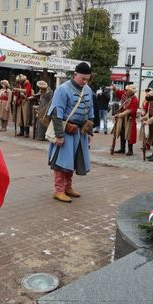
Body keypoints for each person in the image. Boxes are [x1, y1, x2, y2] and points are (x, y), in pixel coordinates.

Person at [47, 62, 94, 203]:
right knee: (61, 162)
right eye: (82, 79)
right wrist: (60, 135)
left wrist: (89, 132)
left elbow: (90, 112)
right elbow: (56, 113)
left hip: (80, 132)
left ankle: (68, 187)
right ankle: (58, 190)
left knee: (73, 161)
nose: (85, 82)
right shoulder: (62, 89)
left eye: (87, 79)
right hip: (66, 131)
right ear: (75, 75)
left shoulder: (88, 90)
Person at [111, 84, 138, 155]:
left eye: (129, 91)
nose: (127, 92)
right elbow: (117, 92)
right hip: (122, 117)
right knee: (121, 132)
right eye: (127, 90)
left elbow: (130, 110)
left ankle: (130, 150)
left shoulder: (134, 99)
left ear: (132, 92)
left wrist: (120, 115)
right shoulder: (124, 94)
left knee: (128, 134)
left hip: (129, 118)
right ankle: (122, 148)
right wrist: (114, 88)